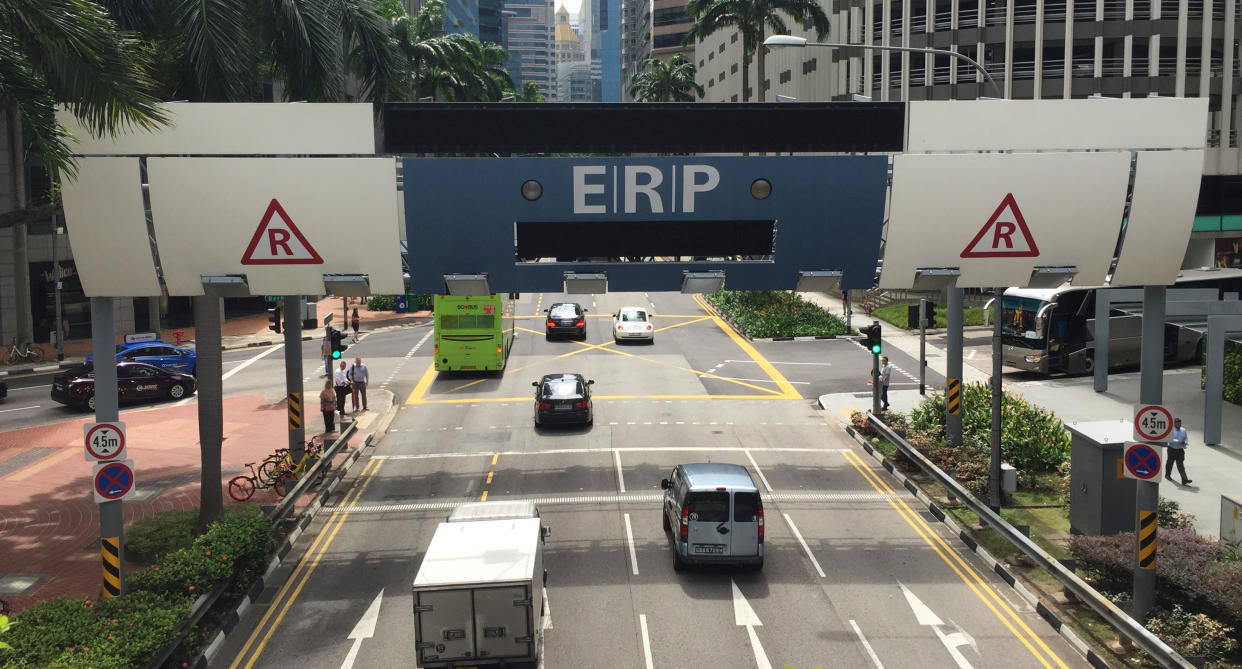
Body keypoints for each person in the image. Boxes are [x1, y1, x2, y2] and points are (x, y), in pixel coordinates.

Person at [1165, 417, 1192, 485]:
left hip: (1180, 450)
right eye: (1177, 423)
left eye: (1179, 423)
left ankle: (1184, 480)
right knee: (1170, 463)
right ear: (1174, 424)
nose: (1178, 425)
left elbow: (1185, 438)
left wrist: (1185, 442)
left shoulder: (1183, 430)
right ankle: (1167, 475)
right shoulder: (1171, 430)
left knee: (1180, 465)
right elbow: (1169, 439)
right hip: (1171, 449)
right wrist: (1178, 441)